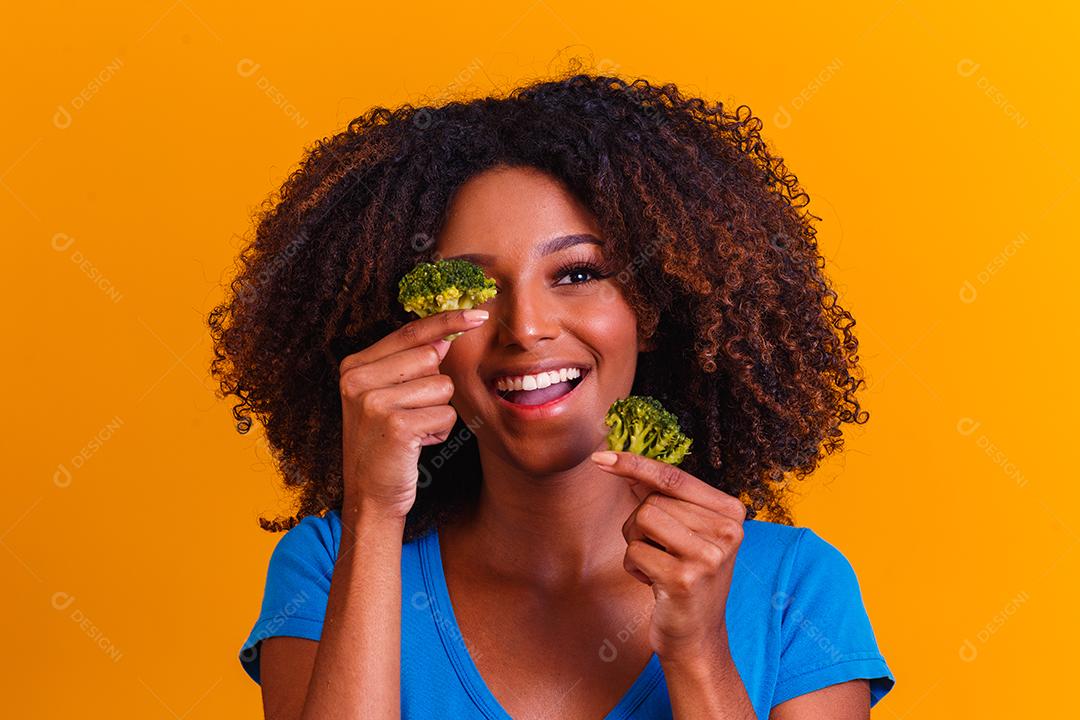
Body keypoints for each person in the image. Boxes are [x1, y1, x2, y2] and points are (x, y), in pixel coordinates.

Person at [210, 68, 895, 719]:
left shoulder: (793, 588)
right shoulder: (333, 563)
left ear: (655, 309)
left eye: (576, 274)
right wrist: (375, 513)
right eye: (475, 287)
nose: (526, 328)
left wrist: (698, 651)